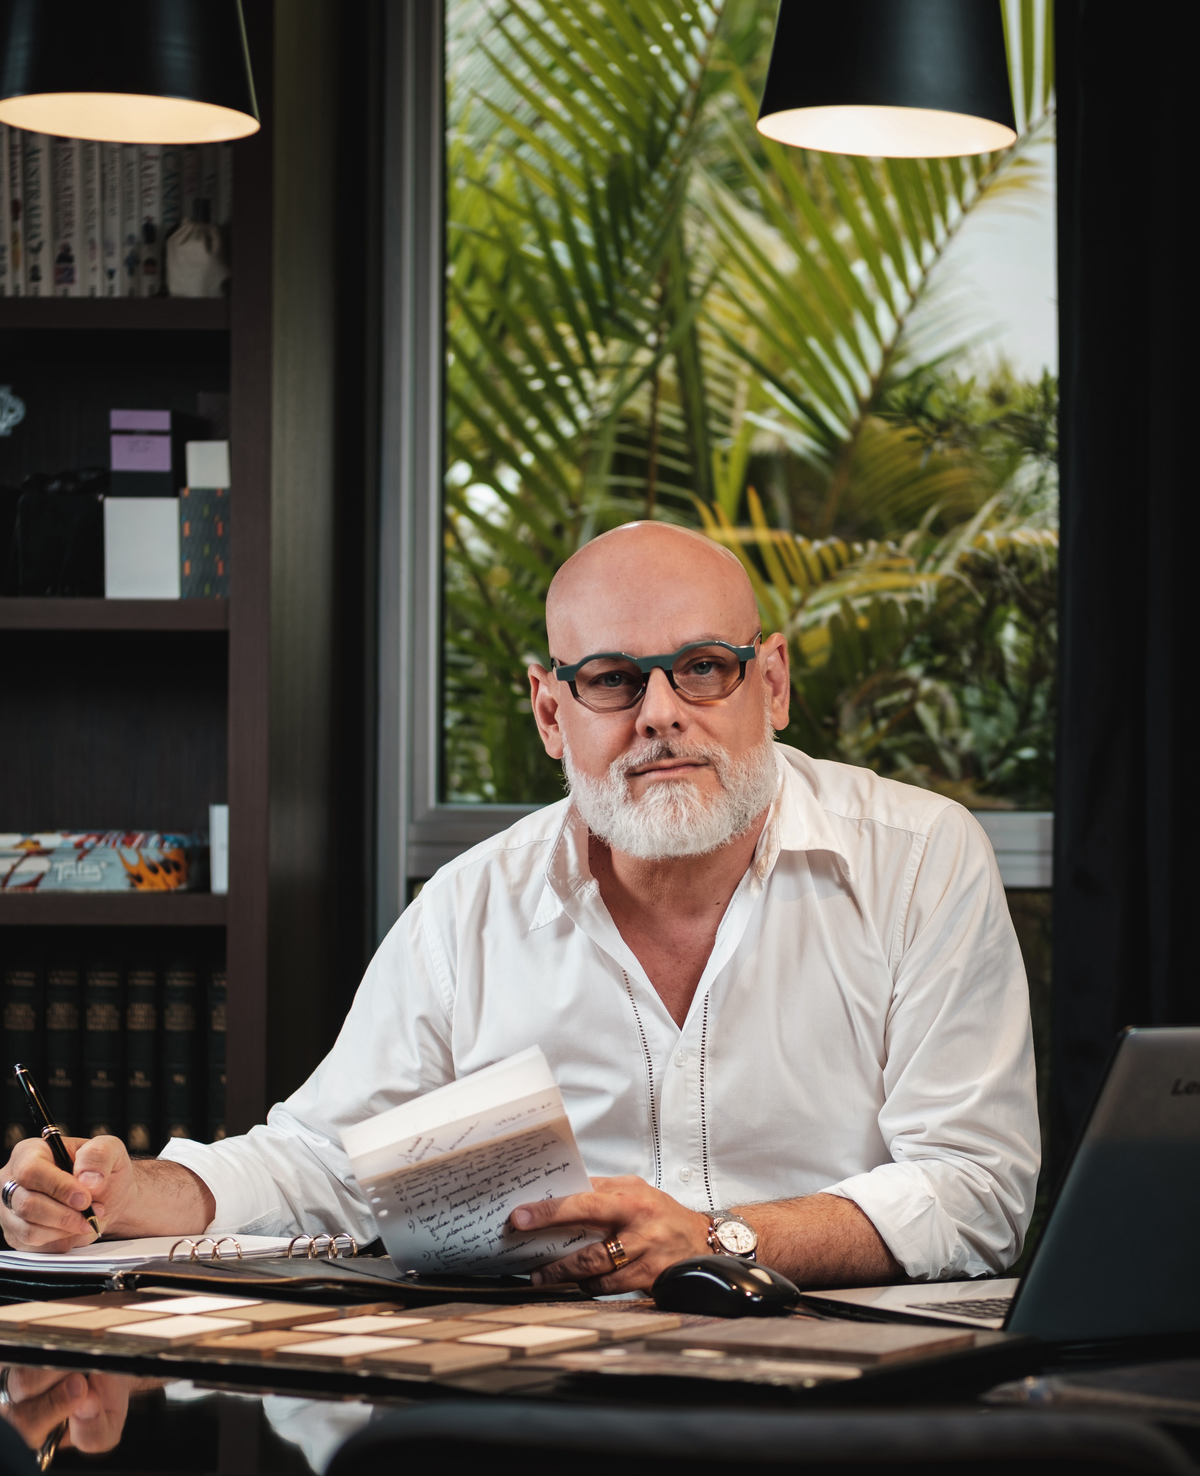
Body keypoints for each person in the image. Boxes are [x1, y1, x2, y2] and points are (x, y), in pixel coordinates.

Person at [0, 524, 1039, 1291]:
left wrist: (723, 1241)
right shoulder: (469, 909)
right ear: (550, 711)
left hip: (844, 1391)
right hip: (550, 1403)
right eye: (612, 681)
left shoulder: (920, 861)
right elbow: (327, 1163)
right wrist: (124, 1196)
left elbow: (977, 1189)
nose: (661, 716)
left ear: (771, 683)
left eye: (703, 669)